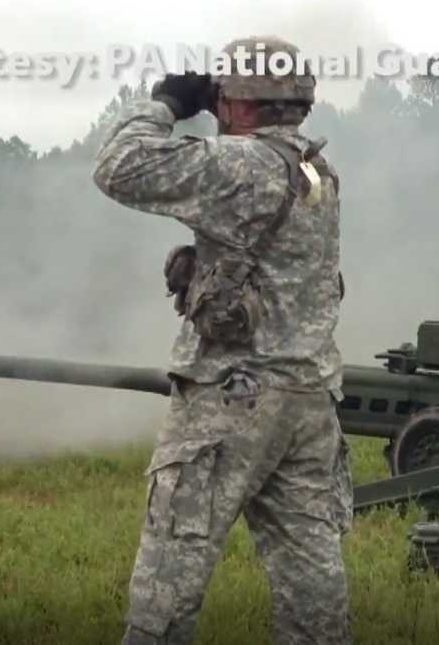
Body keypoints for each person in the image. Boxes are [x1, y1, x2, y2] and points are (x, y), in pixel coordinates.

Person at [91, 35, 353, 645]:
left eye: (224, 97)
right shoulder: (318, 171)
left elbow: (118, 167)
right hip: (309, 398)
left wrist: (165, 104)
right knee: (310, 565)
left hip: (231, 399)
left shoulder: (240, 166)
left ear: (238, 104)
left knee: (172, 566)